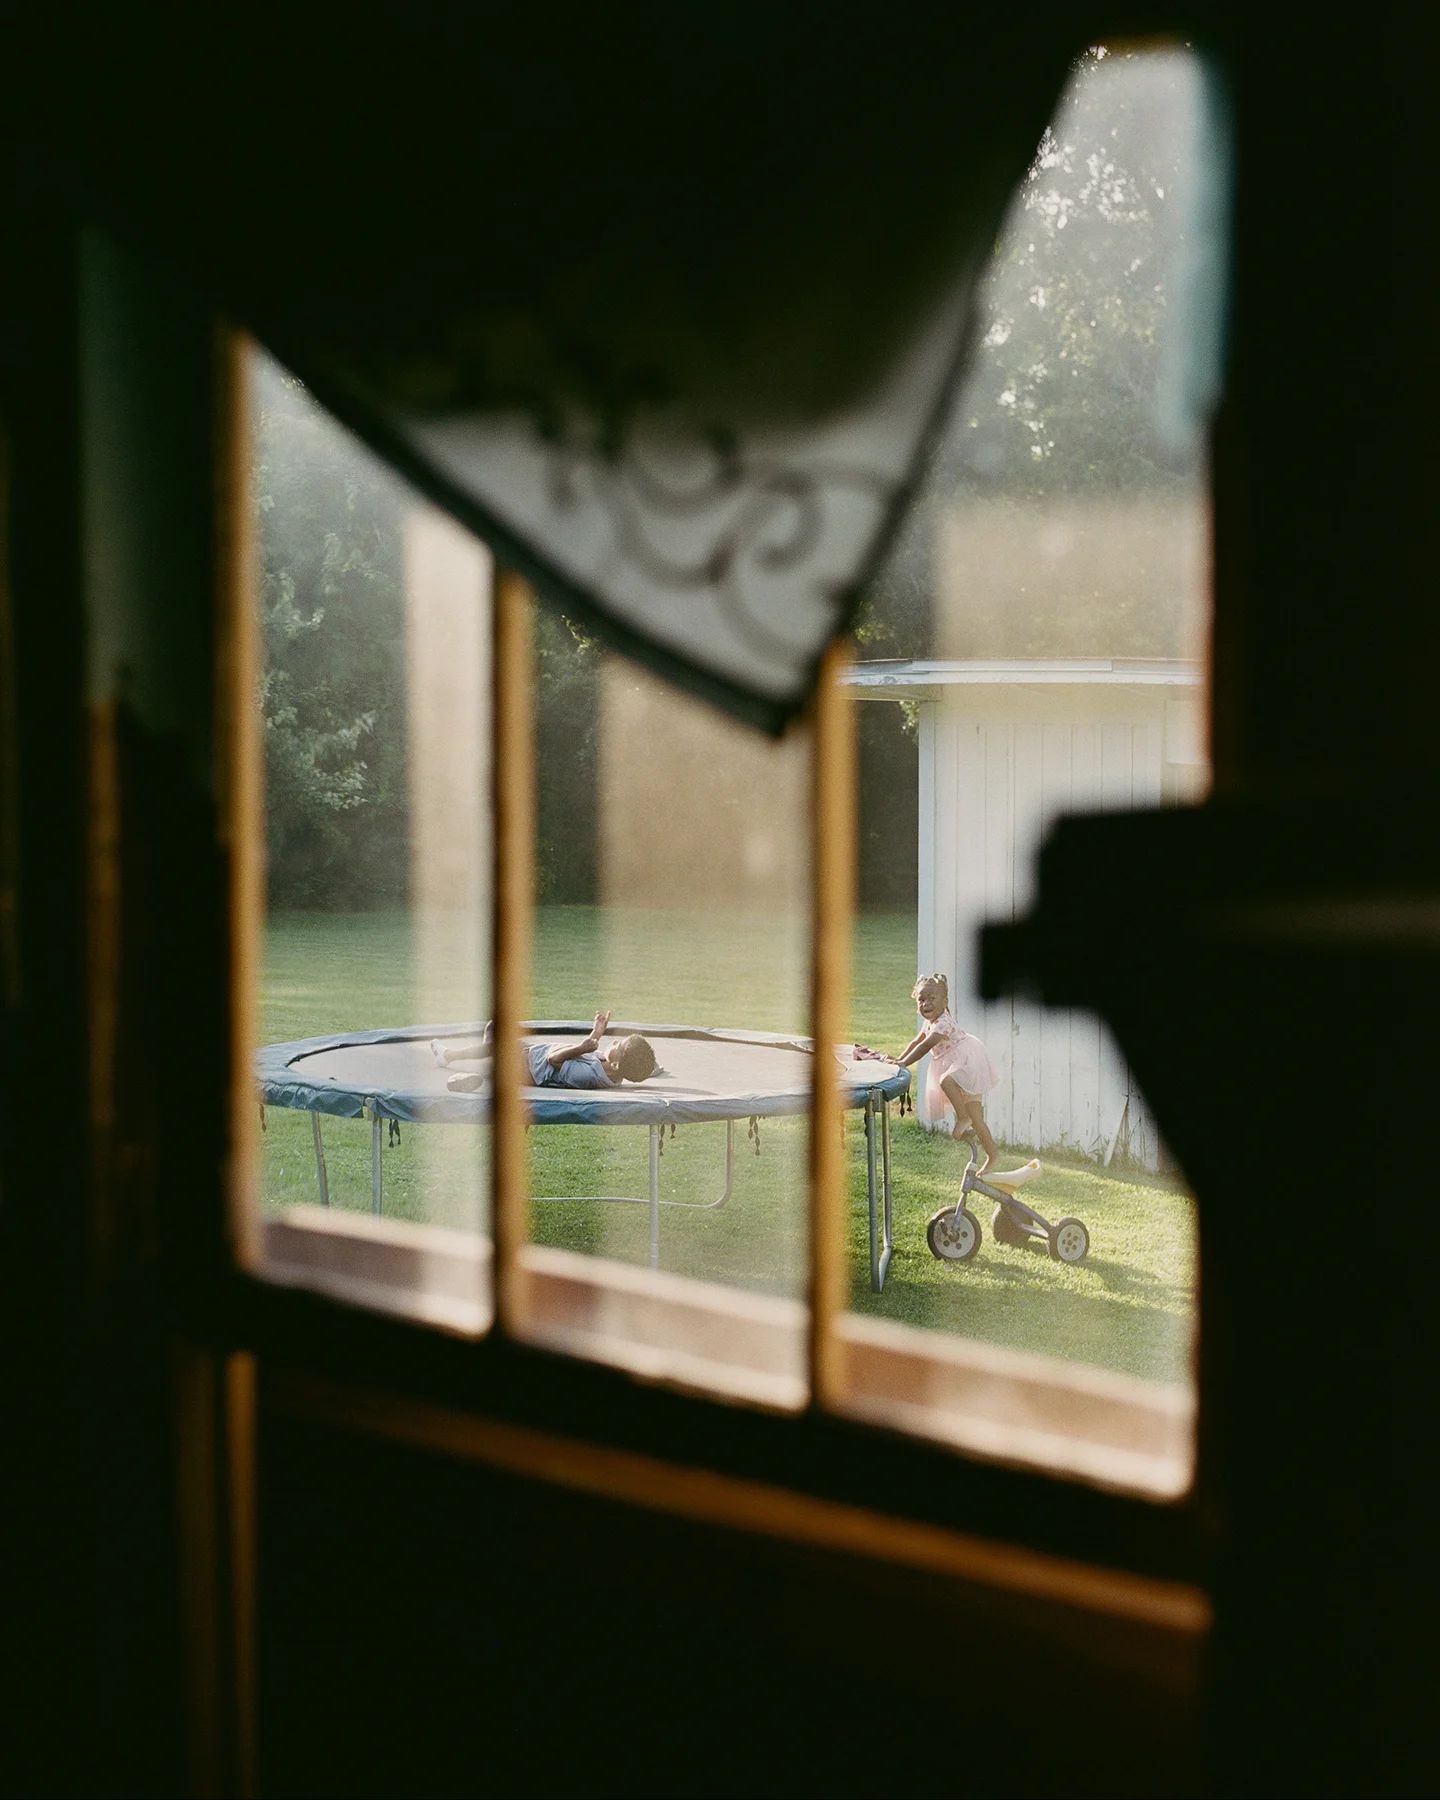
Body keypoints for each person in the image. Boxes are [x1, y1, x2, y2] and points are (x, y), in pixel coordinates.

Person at [891, 973, 1001, 1173]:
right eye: (921, 1000)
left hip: (969, 1061)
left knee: (946, 1081)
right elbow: (916, 1042)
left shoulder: (943, 1023)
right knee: (977, 1118)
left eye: (932, 998)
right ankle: (993, 1155)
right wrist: (899, 1059)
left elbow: (926, 1045)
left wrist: (905, 1063)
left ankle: (962, 1118)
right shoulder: (929, 1023)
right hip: (961, 1064)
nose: (926, 1004)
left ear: (945, 1001)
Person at [431, 1012, 657, 1094]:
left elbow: (555, 1060)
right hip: (531, 1056)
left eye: (619, 1046)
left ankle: (450, 1057)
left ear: (618, 1065)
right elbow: (589, 1054)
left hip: (528, 1068)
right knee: (495, 1031)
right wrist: (596, 1034)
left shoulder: (590, 1077)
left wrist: (583, 1046)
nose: (615, 1042)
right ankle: (487, 1072)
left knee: (495, 1042)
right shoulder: (611, 1071)